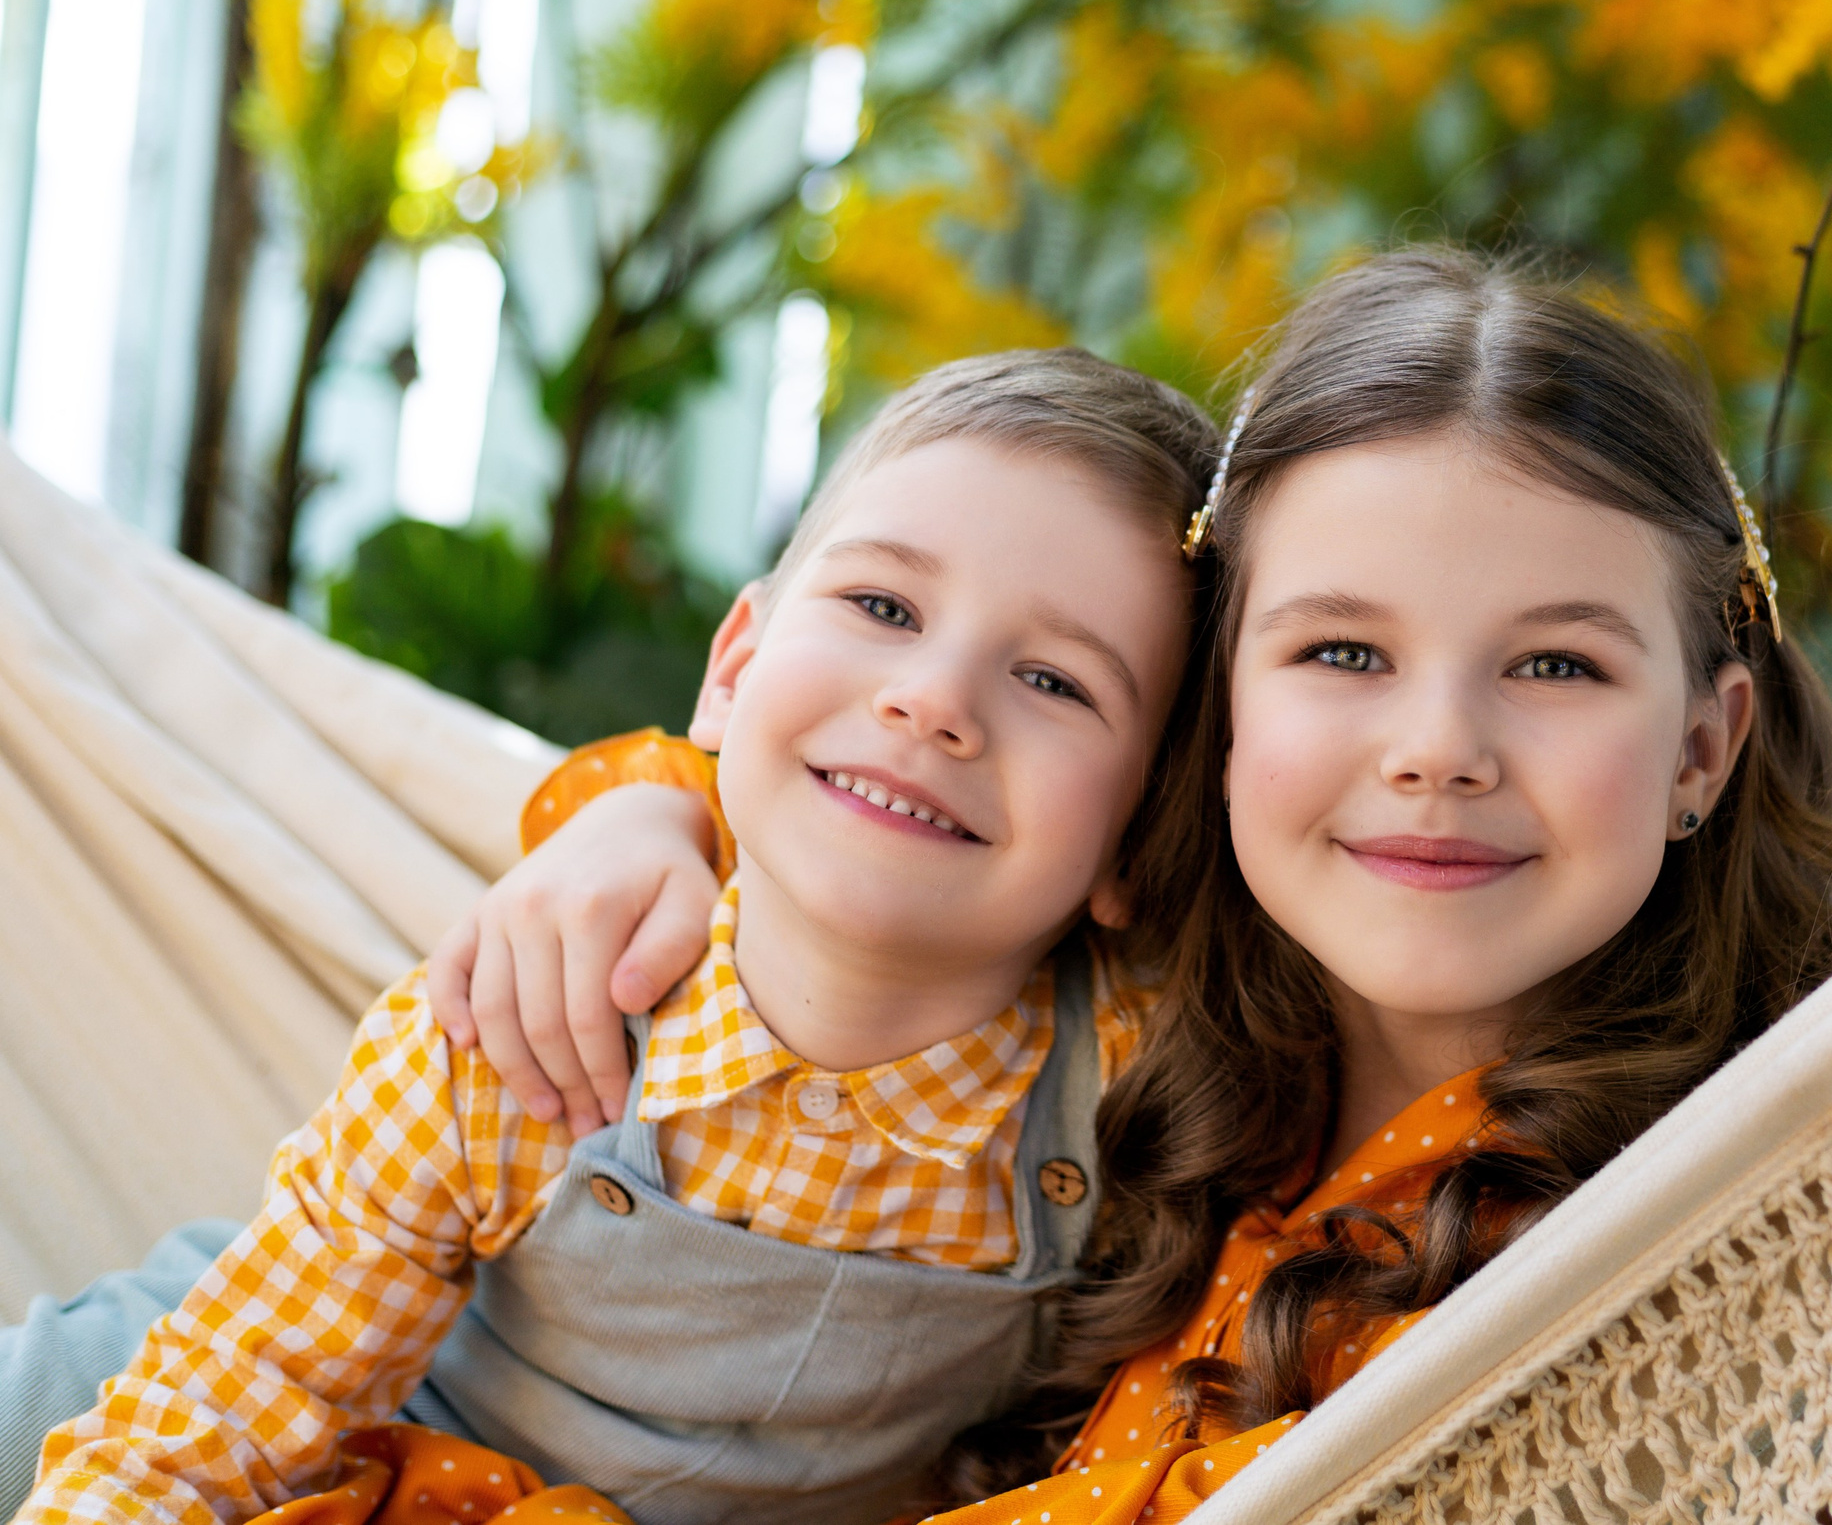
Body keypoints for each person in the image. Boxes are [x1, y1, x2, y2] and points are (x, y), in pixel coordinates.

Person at [431, 249, 1832, 1523]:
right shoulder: (1135, 1003)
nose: (1439, 749)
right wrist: (645, 809)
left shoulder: (1657, 1220)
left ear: (1703, 747)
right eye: (1342, 651)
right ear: (1210, 714)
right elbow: (846, 825)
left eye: (1557, 664)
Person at [9, 349, 1217, 1525]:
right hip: (270, 1403)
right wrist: (650, 799)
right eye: (882, 605)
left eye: (1056, 681)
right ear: (731, 673)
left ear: (1135, 841)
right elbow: (229, 1412)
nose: (934, 700)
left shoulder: (1137, 1094)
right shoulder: (535, 1019)